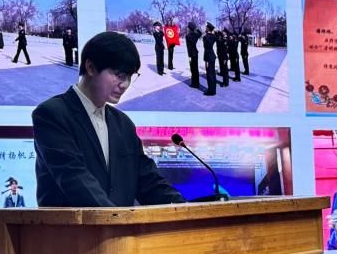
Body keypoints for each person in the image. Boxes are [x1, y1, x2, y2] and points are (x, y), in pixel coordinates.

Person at [32, 31, 186, 207]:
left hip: (120, 224)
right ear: (91, 67)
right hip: (74, 225)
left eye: (130, 76)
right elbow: (75, 179)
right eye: (119, 75)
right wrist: (116, 219)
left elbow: (149, 182)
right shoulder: (52, 114)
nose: (125, 84)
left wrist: (186, 209)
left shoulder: (123, 124)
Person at [201, 22, 217, 96]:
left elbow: (206, 48)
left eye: (206, 27)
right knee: (213, 73)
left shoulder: (205, 37)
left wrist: (206, 60)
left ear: (208, 28)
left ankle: (211, 91)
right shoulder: (214, 36)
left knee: (209, 74)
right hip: (212, 56)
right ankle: (213, 89)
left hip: (208, 57)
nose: (205, 28)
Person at [185, 21, 201, 89]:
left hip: (191, 54)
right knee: (196, 69)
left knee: (192, 69)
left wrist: (189, 56)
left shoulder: (187, 36)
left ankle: (194, 83)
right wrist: (196, 28)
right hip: (195, 53)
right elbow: (200, 33)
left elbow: (188, 47)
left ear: (189, 28)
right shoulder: (195, 35)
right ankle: (197, 83)